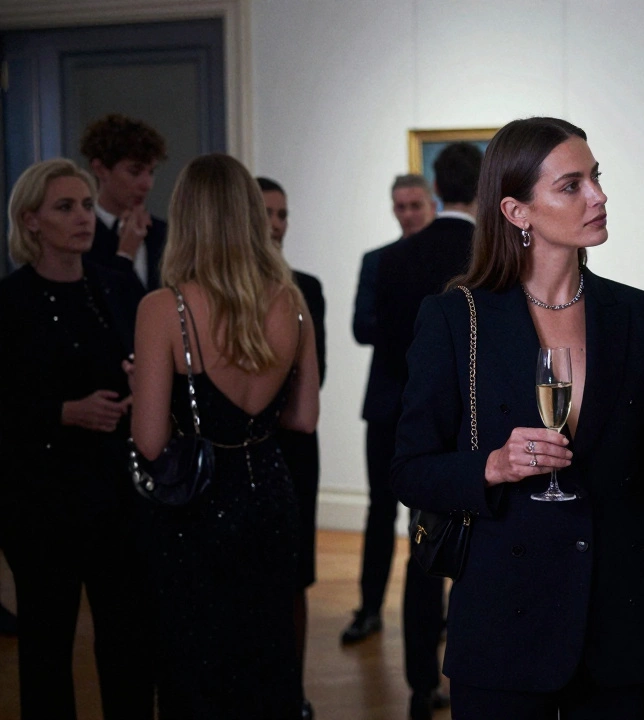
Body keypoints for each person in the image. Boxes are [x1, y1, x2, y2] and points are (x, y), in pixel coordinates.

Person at [390, 116, 644, 719]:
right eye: (572, 185)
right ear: (516, 211)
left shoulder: (635, 314)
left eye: (597, 179)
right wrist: (495, 466)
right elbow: (410, 471)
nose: (599, 196)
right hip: (505, 626)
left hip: (620, 626)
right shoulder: (455, 318)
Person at [130, 153, 320, 718]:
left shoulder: (165, 308)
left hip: (196, 506)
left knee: (196, 662)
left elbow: (148, 440)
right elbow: (304, 418)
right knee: (268, 652)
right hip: (271, 494)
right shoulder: (292, 300)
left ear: (186, 216)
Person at [0, 158, 151, 718]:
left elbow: (148, 363)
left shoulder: (114, 285)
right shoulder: (10, 302)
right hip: (40, 498)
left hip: (117, 492)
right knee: (46, 644)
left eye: (87, 205)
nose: (84, 217)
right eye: (65, 207)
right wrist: (62, 412)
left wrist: (143, 391)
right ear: (31, 220)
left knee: (129, 640)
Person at [374, 142, 483, 717]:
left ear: (436, 188)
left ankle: (421, 682)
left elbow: (387, 346)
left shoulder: (394, 259)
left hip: (409, 418)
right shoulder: (493, 252)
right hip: (479, 428)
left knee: (425, 544)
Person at [344, 173, 437, 646]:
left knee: (434, 511)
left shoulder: (446, 257)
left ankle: (433, 617)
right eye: (399, 206)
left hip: (425, 401)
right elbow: (360, 326)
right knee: (379, 510)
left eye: (414, 205)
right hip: (385, 403)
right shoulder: (377, 261)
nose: (407, 214)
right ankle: (369, 608)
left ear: (432, 203)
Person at [259, 176, 327, 720]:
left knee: (295, 575)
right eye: (266, 213)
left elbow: (312, 379)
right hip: (241, 452)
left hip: (292, 449)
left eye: (283, 214)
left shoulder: (306, 286)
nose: (276, 224)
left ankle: (292, 690)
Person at [81, 113, 169, 290]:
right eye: (134, 172)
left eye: (151, 172)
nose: (147, 184)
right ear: (101, 169)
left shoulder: (164, 234)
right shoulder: (81, 234)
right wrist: (126, 253)